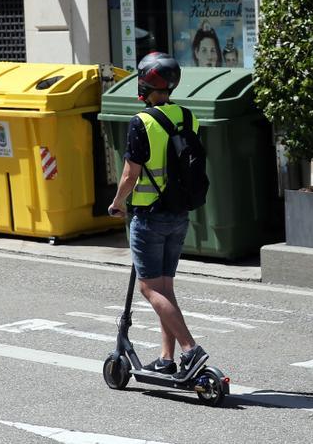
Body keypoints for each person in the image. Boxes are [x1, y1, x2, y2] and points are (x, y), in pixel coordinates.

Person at [108, 51, 207, 380]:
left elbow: (129, 175)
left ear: (147, 83)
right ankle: (166, 358)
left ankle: (191, 351)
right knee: (165, 287)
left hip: (150, 217)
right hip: (179, 215)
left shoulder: (142, 122)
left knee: (150, 290)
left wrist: (118, 202)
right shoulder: (188, 116)